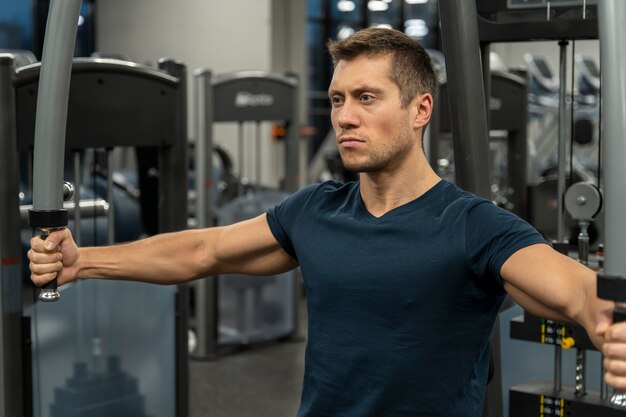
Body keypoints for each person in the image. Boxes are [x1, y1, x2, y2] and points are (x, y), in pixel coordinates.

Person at [29, 28, 626, 416]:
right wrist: (86, 262)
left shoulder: (472, 225)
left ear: (420, 109)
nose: (345, 116)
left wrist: (608, 323)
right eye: (339, 99)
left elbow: (572, 290)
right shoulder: (315, 211)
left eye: (367, 98)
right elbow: (205, 250)